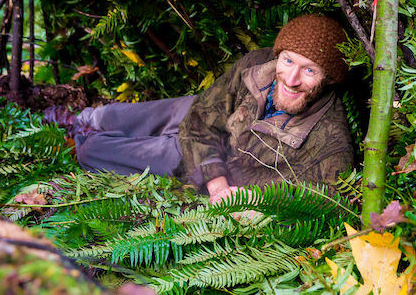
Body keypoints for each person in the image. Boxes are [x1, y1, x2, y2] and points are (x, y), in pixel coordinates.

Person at [73, 14, 354, 203]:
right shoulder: (257, 64)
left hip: (211, 162)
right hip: (209, 121)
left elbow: (317, 204)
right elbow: (200, 117)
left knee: (91, 151)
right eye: (289, 61)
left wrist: (217, 183)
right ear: (278, 55)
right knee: (141, 113)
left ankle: (85, 137)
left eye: (309, 70)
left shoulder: (329, 145)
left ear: (329, 78)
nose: (291, 80)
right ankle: (84, 117)